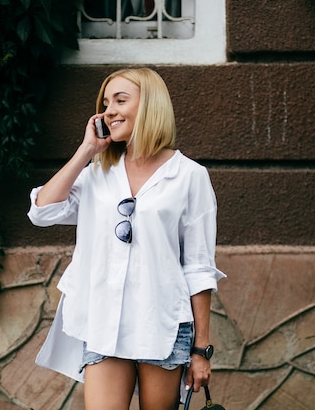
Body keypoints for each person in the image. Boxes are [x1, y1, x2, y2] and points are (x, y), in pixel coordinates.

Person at [27, 67, 225, 410]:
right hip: (104, 321)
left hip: (161, 322)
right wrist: (87, 150)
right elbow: (42, 211)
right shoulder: (97, 172)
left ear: (150, 106)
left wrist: (200, 350)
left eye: (121, 100)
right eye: (106, 103)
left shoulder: (190, 176)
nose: (109, 111)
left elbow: (198, 268)